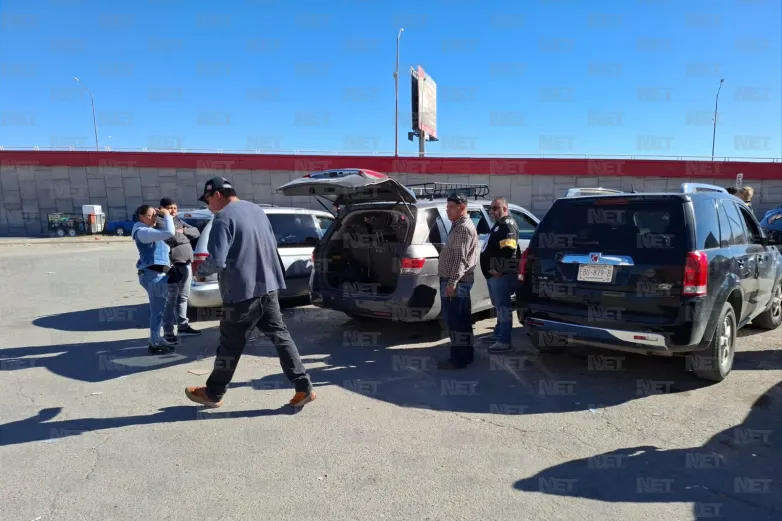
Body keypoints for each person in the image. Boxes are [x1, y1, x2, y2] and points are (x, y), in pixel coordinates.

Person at [185, 176, 316, 409]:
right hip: (268, 287)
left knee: (229, 346)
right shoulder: (256, 210)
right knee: (281, 338)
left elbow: (216, 261)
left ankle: (213, 393)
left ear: (217, 195)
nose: (208, 206)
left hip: (242, 294)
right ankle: (303, 387)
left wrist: (198, 273)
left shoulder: (223, 218)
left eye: (208, 200)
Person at [436, 192, 479, 370]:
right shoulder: (459, 224)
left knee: (455, 323)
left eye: (451, 207)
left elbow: (460, 258)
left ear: (462, 207)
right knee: (462, 321)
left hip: (456, 282)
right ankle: (466, 355)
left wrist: (452, 282)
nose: (447, 210)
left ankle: (457, 360)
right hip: (458, 280)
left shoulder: (462, 227)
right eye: (447, 207)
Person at [156, 197, 202, 343]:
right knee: (170, 300)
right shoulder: (160, 222)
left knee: (183, 297)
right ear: (162, 208)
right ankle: (168, 331)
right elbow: (174, 237)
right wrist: (183, 234)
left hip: (186, 263)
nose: (174, 211)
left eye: (175, 208)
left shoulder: (178, 221)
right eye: (170, 208)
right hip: (173, 266)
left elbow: (196, 232)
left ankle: (183, 326)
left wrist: (183, 231)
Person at [131, 204, 176, 354]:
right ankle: (154, 344)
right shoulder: (142, 232)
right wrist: (166, 215)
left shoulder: (150, 230)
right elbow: (170, 231)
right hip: (153, 275)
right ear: (141, 217)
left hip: (157, 275)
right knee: (157, 311)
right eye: (151, 215)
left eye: (155, 214)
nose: (155, 217)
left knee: (159, 310)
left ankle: (156, 338)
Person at [480, 197, 520, 353]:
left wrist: (499, 270)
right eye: (491, 208)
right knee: (498, 306)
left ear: (504, 208)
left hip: (501, 275)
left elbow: (509, 249)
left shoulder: (508, 225)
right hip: (493, 275)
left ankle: (504, 340)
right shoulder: (499, 225)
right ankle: (498, 333)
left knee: (503, 307)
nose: (492, 211)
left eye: (496, 208)